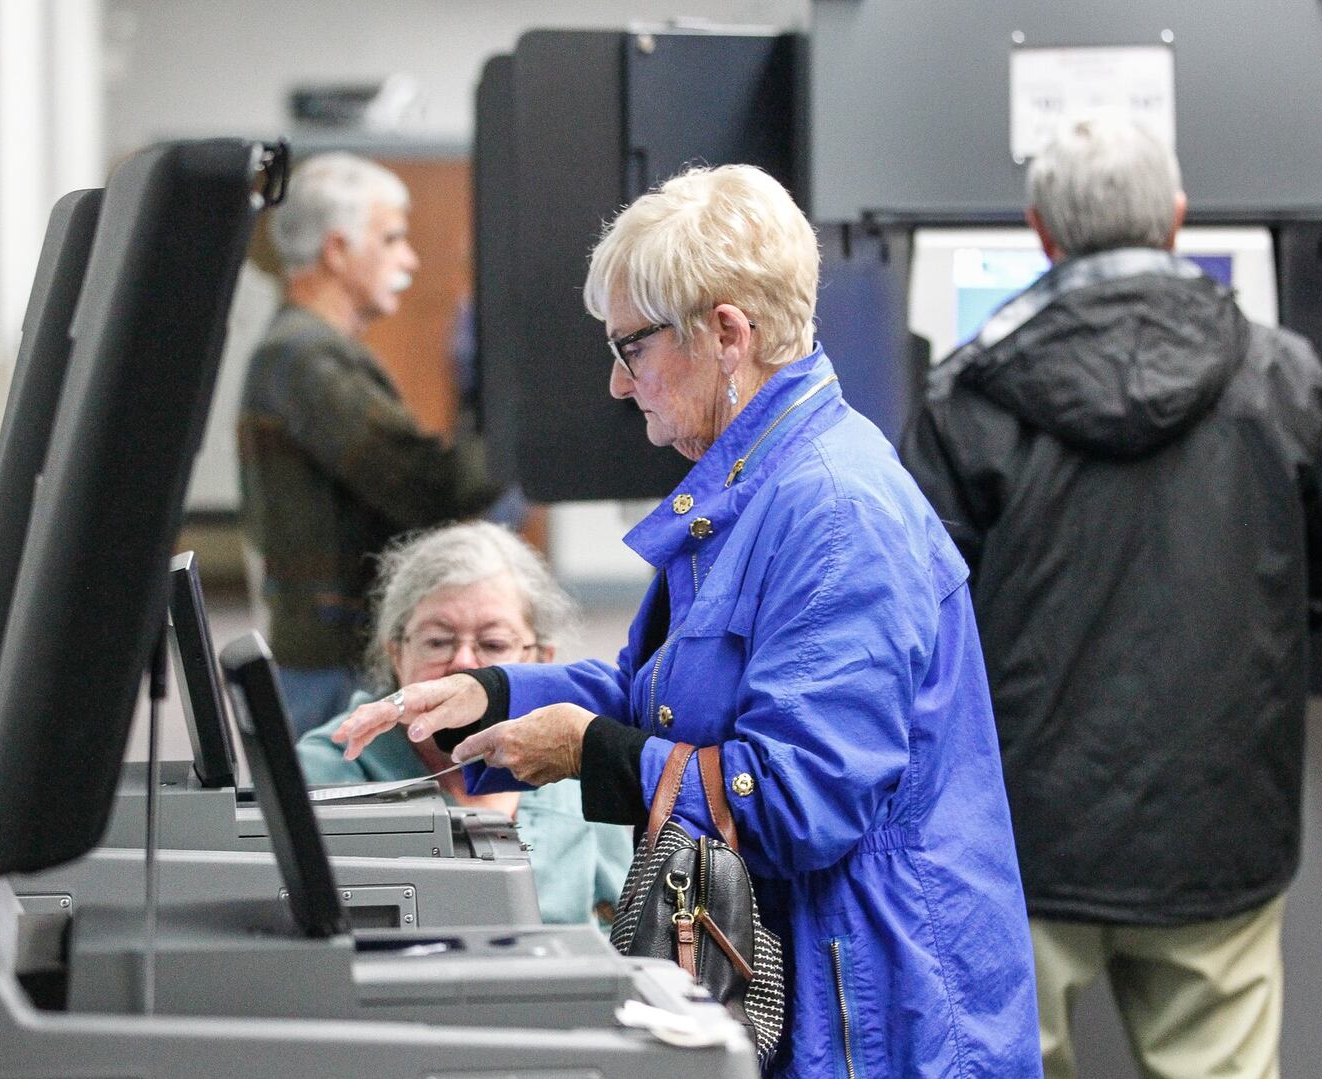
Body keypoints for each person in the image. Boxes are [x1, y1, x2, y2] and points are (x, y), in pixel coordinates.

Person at [334, 164, 1042, 1076]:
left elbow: (800, 800)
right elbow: (654, 696)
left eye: (633, 346)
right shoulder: (755, 489)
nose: (622, 385)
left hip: (880, 1013)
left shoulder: (831, 511)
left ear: (728, 335)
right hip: (833, 985)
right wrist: (486, 691)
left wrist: (593, 752)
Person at [899, 115, 1322, 1079]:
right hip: (1221, 819)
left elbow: (921, 617)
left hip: (1022, 835)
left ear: (1042, 231)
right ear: (1174, 219)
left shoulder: (968, 398)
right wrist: (1258, 631)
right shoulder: (1282, 374)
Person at [238, 152, 498, 736]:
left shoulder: (306, 349)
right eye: (392, 238)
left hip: (331, 654)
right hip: (334, 666)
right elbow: (433, 489)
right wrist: (503, 410)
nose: (408, 259)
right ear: (337, 250)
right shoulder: (306, 355)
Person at [297, 521, 631, 927]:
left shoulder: (578, 763)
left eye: (492, 644)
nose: (463, 664)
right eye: (438, 641)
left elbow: (627, 938)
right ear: (396, 654)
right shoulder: (327, 770)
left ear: (541, 661)